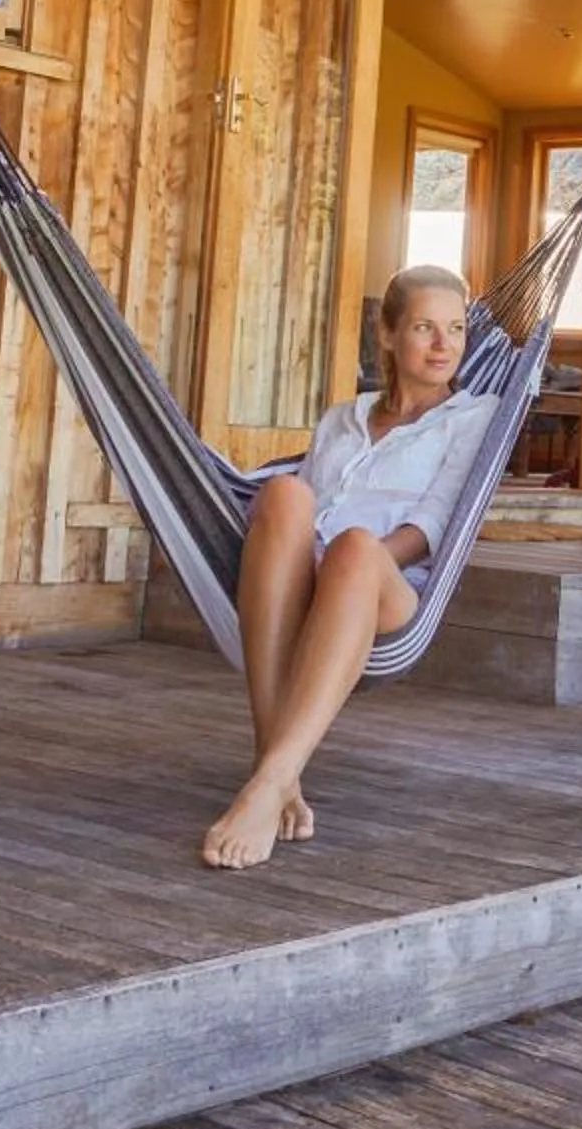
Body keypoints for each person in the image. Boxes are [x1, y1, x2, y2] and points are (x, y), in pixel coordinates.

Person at [201, 265, 497, 869]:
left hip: (387, 585)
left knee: (357, 546)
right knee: (283, 495)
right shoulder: (342, 417)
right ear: (387, 335)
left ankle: (265, 783)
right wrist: (312, 563)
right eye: (424, 327)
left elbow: (433, 525)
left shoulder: (476, 417)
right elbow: (304, 510)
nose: (445, 345)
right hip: (311, 570)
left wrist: (340, 565)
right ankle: (277, 770)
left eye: (456, 328)